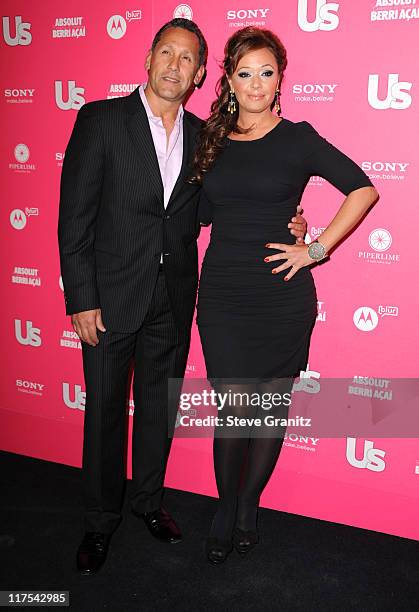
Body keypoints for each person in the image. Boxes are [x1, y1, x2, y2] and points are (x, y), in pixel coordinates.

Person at [58, 18, 307, 575]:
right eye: (166, 53)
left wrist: (288, 222)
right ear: (148, 60)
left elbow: (218, 210)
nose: (175, 65)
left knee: (156, 412)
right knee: (102, 412)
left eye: (188, 58)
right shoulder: (100, 120)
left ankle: (148, 503)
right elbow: (73, 216)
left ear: (199, 74)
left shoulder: (204, 137)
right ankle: (100, 521)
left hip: (173, 299)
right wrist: (81, 297)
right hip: (109, 297)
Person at [191, 27, 378, 564]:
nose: (255, 84)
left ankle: (248, 507)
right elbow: (201, 214)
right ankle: (226, 508)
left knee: (270, 408)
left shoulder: (298, 137)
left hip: (281, 293)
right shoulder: (210, 138)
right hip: (224, 293)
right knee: (234, 410)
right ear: (228, 79)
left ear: (280, 80)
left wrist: (314, 247)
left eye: (266, 72)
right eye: (244, 72)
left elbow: (363, 188)